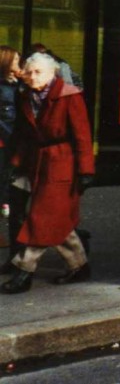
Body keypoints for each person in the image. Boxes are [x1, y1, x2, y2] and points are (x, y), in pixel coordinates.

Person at [1, 52, 94, 294]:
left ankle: (25, 270)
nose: (32, 76)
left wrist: (86, 170)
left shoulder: (69, 96)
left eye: (38, 72)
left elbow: (83, 135)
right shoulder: (26, 97)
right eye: (29, 72)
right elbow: (24, 134)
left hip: (62, 162)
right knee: (56, 217)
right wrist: (16, 162)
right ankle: (79, 265)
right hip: (37, 161)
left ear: (52, 74)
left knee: (41, 216)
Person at [0, 46, 22, 272]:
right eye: (16, 60)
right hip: (5, 146)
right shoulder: (5, 89)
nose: (19, 65)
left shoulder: (15, 85)